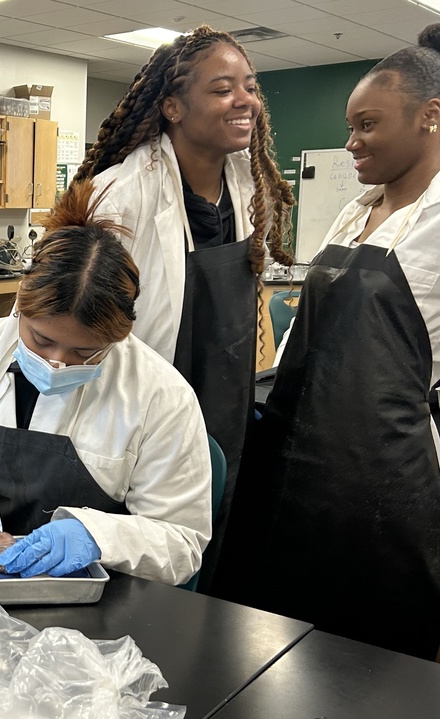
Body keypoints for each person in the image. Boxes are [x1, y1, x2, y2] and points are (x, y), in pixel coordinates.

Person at [215, 26, 440, 660]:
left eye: (368, 125)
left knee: (372, 663)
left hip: (388, 482)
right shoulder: (354, 211)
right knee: (273, 648)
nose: (352, 142)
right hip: (296, 466)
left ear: (431, 117)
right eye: (351, 125)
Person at [72, 26, 295, 590]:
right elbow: (81, 321)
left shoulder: (248, 183)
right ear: (172, 106)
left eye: (249, 85)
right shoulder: (119, 194)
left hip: (224, 390)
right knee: (150, 546)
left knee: (217, 530)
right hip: (145, 396)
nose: (245, 99)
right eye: (223, 89)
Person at [0, 184, 211, 585]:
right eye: (41, 340)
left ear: (119, 336)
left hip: (97, 604)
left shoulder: (161, 397)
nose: (57, 363)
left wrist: (98, 537)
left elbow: (181, 544)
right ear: (21, 302)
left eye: (85, 352)